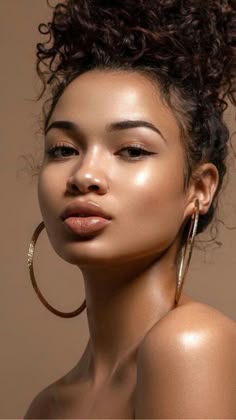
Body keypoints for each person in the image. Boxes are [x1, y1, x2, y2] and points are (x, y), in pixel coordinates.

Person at [24, 0, 236, 418]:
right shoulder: (46, 408)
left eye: (132, 150)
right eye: (64, 149)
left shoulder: (190, 344)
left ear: (199, 188)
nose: (85, 175)